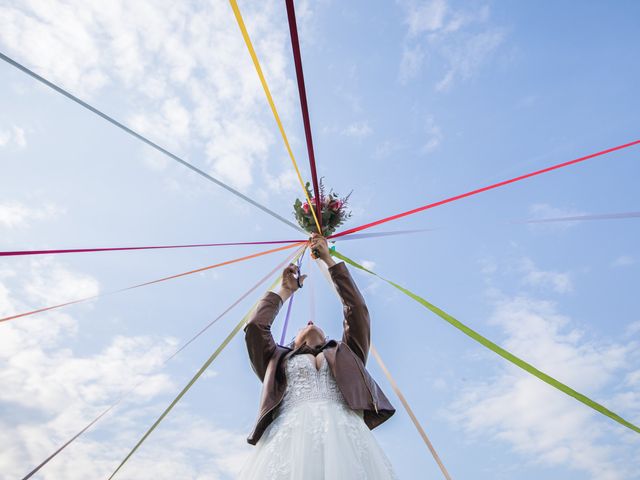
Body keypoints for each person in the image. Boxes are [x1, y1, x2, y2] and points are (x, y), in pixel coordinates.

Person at [238, 233, 398, 479]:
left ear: (327, 339)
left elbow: (356, 310)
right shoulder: (275, 359)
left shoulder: (348, 353)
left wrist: (328, 260)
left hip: (345, 436)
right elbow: (255, 327)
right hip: (290, 438)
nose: (310, 321)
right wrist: (284, 290)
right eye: (303, 325)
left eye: (315, 324)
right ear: (293, 342)